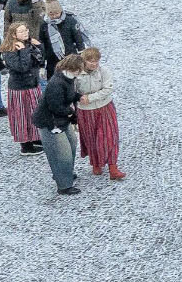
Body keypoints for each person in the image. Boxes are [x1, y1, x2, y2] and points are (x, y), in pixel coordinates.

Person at [33, 52, 82, 195]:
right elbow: (56, 106)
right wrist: (71, 112)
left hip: (61, 120)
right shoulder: (56, 83)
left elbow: (69, 95)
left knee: (71, 144)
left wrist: (78, 97)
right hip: (50, 122)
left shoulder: (68, 78)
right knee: (61, 153)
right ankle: (64, 185)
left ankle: (65, 173)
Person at [72, 46, 122, 180]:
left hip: (104, 107)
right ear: (84, 61)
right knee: (91, 138)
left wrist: (90, 97)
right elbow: (72, 91)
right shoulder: (77, 74)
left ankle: (113, 167)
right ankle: (96, 163)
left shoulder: (104, 71)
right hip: (86, 111)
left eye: (96, 61)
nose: (94, 64)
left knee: (110, 136)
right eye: (91, 61)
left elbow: (108, 89)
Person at [2, 20, 45, 154]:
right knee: (21, 116)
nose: (25, 33)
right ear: (14, 34)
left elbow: (41, 60)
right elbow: (22, 67)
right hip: (20, 88)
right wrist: (24, 51)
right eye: (21, 31)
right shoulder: (10, 50)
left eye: (26, 30)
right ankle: (25, 145)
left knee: (34, 113)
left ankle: (36, 137)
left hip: (32, 85)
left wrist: (40, 46)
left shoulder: (28, 44)